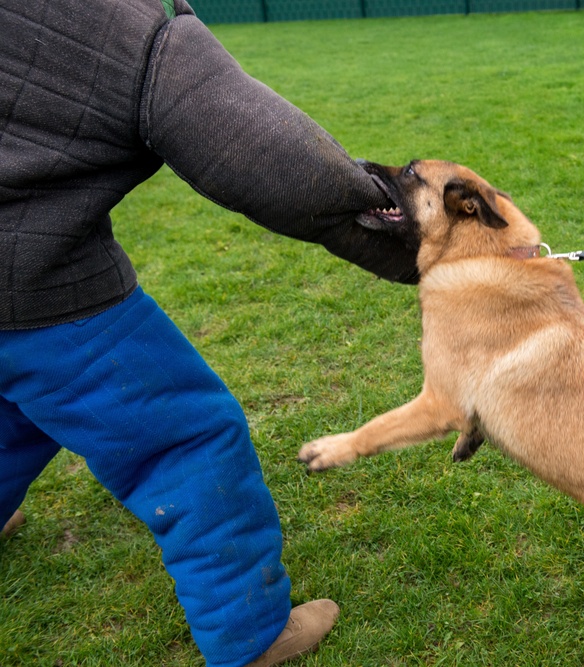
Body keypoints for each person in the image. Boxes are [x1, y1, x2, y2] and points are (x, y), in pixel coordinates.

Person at [0, 1, 418, 665]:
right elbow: (259, 151)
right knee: (186, 439)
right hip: (36, 281)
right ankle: (250, 632)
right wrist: (411, 241)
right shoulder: (122, 18)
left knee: (16, 403)